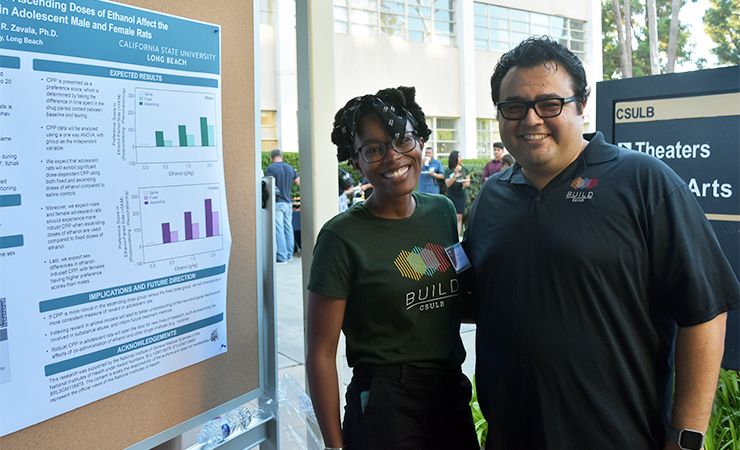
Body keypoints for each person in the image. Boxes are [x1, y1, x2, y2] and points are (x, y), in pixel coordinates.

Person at [462, 36, 739, 450]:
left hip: (619, 438)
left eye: (550, 104)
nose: (531, 119)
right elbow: (468, 297)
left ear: (581, 104)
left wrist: (685, 440)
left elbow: (705, 312)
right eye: (513, 106)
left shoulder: (645, 182)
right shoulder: (491, 197)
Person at [306, 86, 479, 450]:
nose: (393, 157)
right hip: (386, 400)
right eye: (373, 149)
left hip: (449, 390)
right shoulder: (342, 237)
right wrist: (334, 447)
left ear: (420, 141)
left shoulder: (442, 212)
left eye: (402, 139)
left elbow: (456, 300)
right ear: (356, 163)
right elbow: (321, 353)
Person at [265, 148, 299, 264]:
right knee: (288, 228)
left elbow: (269, 185)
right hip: (288, 203)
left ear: (271, 158)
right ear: (282, 156)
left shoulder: (271, 168)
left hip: (277, 202)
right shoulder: (290, 168)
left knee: (279, 229)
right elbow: (299, 183)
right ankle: (289, 255)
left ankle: (282, 256)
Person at [444, 150, 470, 236]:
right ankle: (450, 236)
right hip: (451, 194)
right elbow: (448, 184)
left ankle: (457, 237)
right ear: (454, 158)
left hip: (461, 194)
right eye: (459, 157)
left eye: (461, 156)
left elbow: (468, 182)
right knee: (451, 216)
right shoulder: (448, 170)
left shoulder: (465, 169)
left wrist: (464, 182)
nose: (460, 158)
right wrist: (455, 174)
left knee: (459, 216)